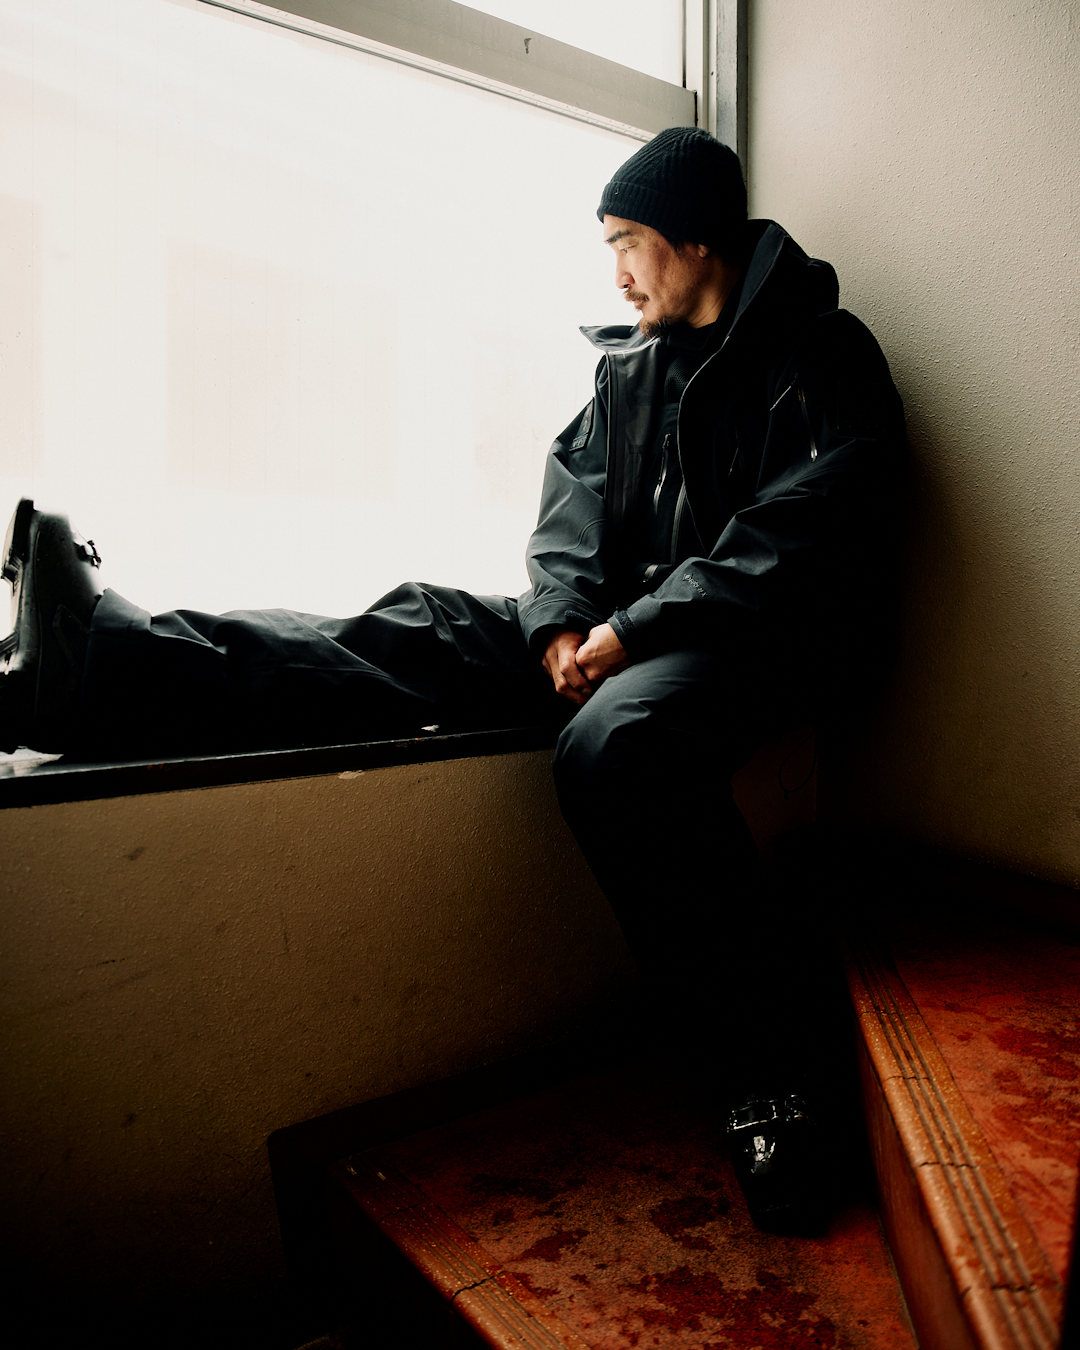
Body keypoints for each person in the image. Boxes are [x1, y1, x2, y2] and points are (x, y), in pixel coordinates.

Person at [0, 128, 905, 1230]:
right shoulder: (627, 364)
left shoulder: (823, 351)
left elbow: (804, 538)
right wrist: (564, 627)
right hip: (621, 629)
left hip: (744, 640)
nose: (614, 270)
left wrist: (632, 628)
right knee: (422, 623)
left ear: (695, 238)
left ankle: (770, 1082)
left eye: (627, 243)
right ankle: (102, 663)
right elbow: (569, 512)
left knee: (617, 745)